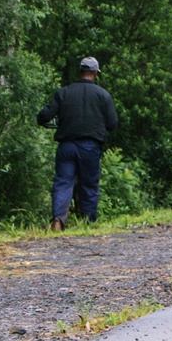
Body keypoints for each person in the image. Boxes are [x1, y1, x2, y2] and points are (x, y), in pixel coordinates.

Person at [38, 56, 118, 231]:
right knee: (89, 184)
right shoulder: (103, 95)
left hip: (67, 146)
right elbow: (112, 123)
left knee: (63, 182)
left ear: (80, 72)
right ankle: (88, 223)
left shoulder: (63, 93)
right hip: (90, 146)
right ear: (95, 73)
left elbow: (44, 116)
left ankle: (58, 220)